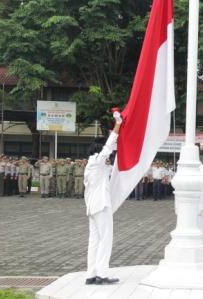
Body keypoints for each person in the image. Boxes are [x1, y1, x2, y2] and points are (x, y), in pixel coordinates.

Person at [83, 111, 122, 285]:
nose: (108, 155)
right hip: (101, 206)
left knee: (94, 241)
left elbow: (112, 150)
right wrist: (118, 124)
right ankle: (102, 274)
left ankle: (91, 274)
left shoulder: (92, 165)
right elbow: (109, 146)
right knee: (105, 239)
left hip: (92, 208)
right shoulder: (97, 162)